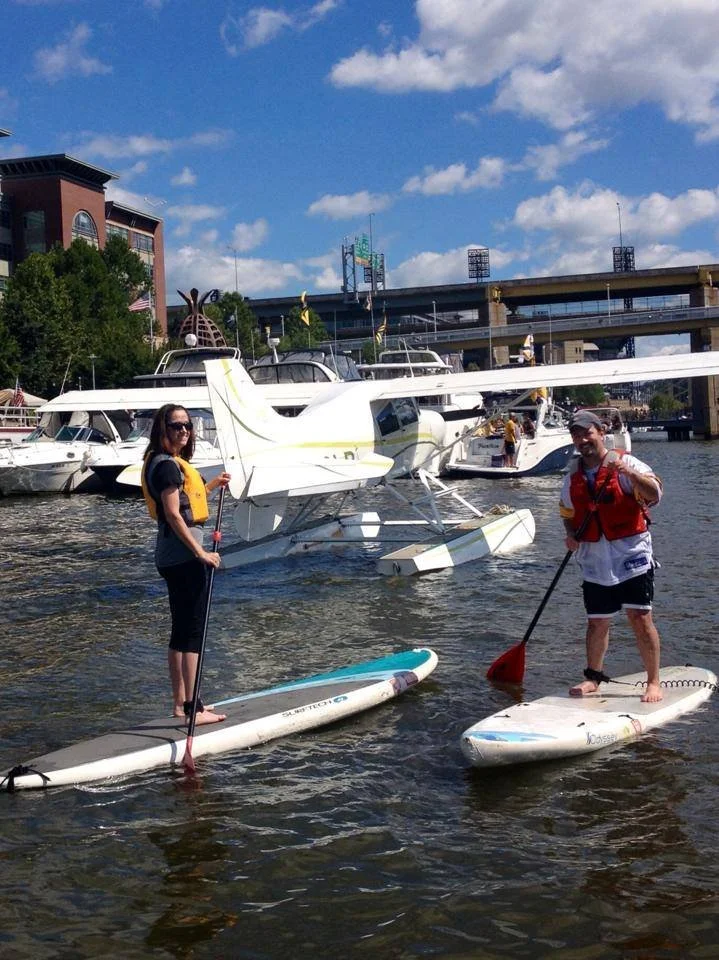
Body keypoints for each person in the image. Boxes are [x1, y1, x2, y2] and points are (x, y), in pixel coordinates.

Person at [560, 409, 664, 703]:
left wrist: (628, 473)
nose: (582, 439)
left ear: (600, 432)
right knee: (596, 622)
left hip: (632, 557)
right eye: (576, 435)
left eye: (587, 432)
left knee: (640, 618)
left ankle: (653, 681)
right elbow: (566, 512)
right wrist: (571, 534)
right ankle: (594, 677)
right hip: (594, 561)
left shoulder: (627, 461)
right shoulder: (572, 477)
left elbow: (655, 493)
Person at [141, 404, 231, 724]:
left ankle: (180, 705)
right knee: (193, 631)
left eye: (187, 426)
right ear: (162, 428)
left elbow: (182, 501)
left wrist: (210, 486)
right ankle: (195, 708)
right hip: (182, 559)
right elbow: (174, 515)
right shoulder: (167, 466)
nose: (183, 431)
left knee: (180, 631)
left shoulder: (163, 463)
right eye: (176, 425)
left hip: (171, 558)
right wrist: (200, 553)